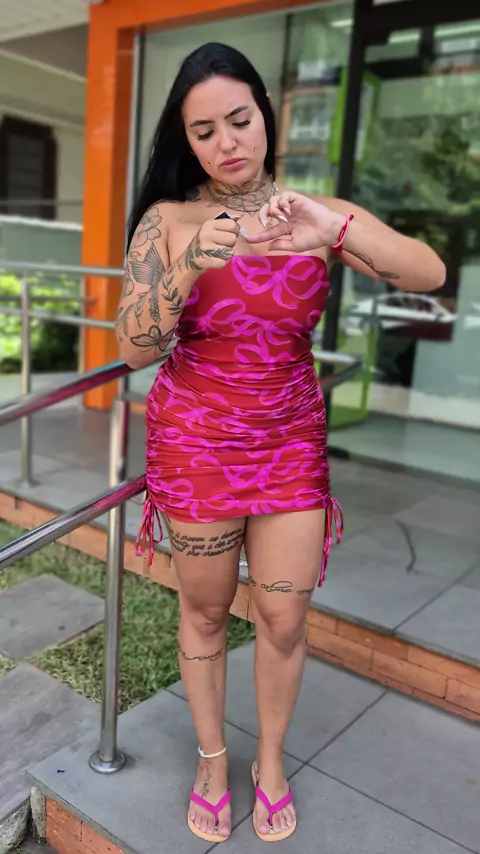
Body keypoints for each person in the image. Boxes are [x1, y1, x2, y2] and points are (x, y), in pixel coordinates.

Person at [115, 42, 445, 844]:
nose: (226, 142)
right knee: (204, 612)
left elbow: (428, 274)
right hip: (196, 444)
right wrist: (190, 263)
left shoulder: (314, 214)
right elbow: (133, 347)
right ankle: (211, 758)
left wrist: (336, 228)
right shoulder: (169, 221)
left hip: (289, 442)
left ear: (265, 114)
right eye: (203, 132)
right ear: (186, 141)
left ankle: (270, 762)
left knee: (284, 619)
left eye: (239, 119)